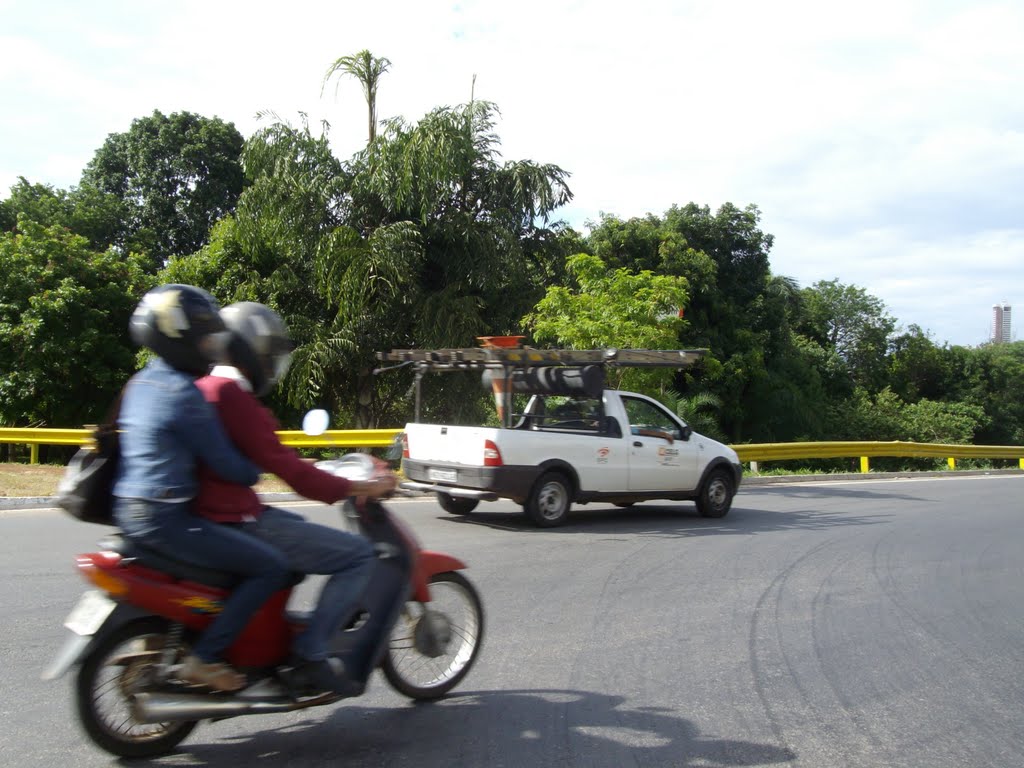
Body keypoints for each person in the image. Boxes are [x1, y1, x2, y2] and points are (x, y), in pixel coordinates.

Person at [192, 301, 397, 696]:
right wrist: (363, 488)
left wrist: (303, 463)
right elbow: (292, 475)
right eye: (269, 355)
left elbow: (257, 452)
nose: (271, 365)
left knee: (299, 529)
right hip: (233, 517)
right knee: (356, 555)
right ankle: (310, 652)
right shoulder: (232, 394)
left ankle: (273, 639)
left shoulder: (205, 387)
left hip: (213, 513)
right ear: (252, 350)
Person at [112, 285, 291, 693]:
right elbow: (228, 465)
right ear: (182, 339)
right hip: (166, 519)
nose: (212, 345)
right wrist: (255, 467)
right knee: (271, 567)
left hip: (127, 509)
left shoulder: (141, 381)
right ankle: (206, 659)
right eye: (206, 336)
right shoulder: (184, 394)